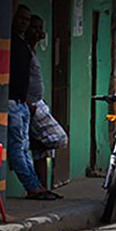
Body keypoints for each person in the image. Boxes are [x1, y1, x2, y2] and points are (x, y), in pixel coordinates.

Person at [9, 5, 55, 200]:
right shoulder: (10, 40)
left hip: (22, 104)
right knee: (18, 148)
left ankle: (36, 185)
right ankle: (33, 186)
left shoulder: (23, 44)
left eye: (27, 20)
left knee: (24, 147)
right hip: (13, 102)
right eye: (21, 18)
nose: (23, 22)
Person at [26, 15, 68, 197]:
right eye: (34, 27)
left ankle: (42, 187)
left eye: (40, 28)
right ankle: (36, 186)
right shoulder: (21, 50)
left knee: (40, 151)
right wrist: (27, 102)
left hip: (37, 101)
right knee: (58, 138)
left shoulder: (31, 50)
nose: (38, 32)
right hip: (31, 104)